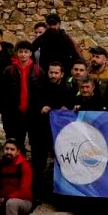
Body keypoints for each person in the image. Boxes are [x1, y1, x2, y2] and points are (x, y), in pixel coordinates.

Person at [30, 61, 71, 199]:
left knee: (62, 163)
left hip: (60, 135)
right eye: (51, 72)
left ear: (62, 74)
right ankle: (37, 194)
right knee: (38, 164)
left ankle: (61, 195)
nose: (53, 75)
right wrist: (41, 109)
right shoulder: (40, 87)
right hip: (41, 131)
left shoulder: (68, 90)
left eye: (56, 73)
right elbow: (32, 106)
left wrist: (67, 109)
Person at [2, 41, 43, 147]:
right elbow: (4, 92)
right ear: (17, 53)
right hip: (15, 113)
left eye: (26, 52)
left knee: (36, 143)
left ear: (30, 53)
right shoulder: (9, 70)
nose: (23, 54)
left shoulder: (38, 70)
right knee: (17, 142)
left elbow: (42, 91)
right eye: (21, 52)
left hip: (33, 113)